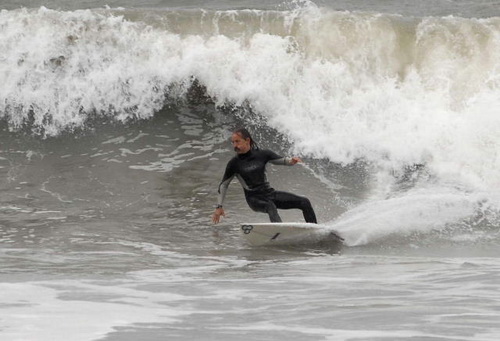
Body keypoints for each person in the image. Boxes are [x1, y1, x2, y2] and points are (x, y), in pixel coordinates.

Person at [212, 128, 317, 224]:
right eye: (233, 142)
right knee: (270, 206)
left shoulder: (263, 154)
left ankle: (315, 230)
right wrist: (219, 206)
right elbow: (224, 185)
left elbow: (282, 161)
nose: (235, 145)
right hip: (254, 199)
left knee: (304, 202)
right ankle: (279, 232)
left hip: (269, 193)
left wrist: (292, 161)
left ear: (247, 140)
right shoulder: (234, 163)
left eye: (237, 141)